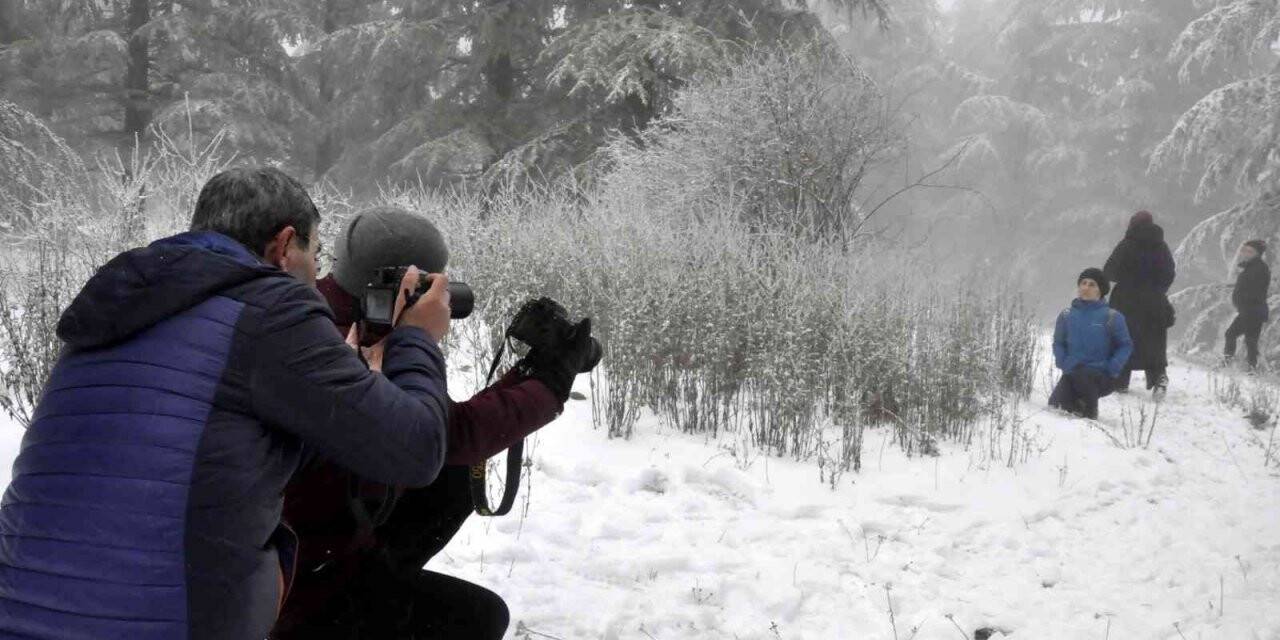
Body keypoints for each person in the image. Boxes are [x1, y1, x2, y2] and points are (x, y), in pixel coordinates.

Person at [0, 168, 453, 640]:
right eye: (315, 257)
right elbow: (417, 450)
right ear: (283, 246)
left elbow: (196, 440)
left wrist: (350, 382)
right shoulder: (271, 305)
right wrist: (416, 338)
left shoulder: (116, 304)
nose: (316, 278)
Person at [270, 206, 600, 640]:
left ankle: (378, 579)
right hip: (298, 586)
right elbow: (452, 434)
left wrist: (528, 375)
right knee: (481, 617)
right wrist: (549, 383)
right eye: (432, 287)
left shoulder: (318, 316)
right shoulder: (344, 345)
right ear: (406, 287)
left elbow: (444, 426)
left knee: (452, 476)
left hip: (306, 551)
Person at [1103, 210, 1176, 398]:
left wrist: (1126, 278)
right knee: (1154, 342)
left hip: (1126, 300)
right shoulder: (1161, 246)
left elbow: (1109, 270)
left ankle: (1120, 382)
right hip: (1154, 301)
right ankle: (1159, 377)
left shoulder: (1126, 244)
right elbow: (1169, 273)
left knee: (1124, 339)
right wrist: (1157, 289)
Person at [1049, 268, 1134, 420]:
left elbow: (1125, 345)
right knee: (1055, 405)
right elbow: (1058, 343)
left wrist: (1113, 366)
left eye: (1092, 284)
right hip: (1072, 371)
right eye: (1083, 283)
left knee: (1085, 382)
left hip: (1101, 374)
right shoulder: (1066, 315)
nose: (1086, 287)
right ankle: (1078, 408)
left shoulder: (1112, 317)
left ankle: (1090, 415)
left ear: (1100, 291)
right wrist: (1062, 361)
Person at [1224, 239, 1272, 371]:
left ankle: (1229, 364)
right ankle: (1251, 368)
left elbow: (1256, 290)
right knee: (1250, 340)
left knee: (1235, 335)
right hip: (1251, 310)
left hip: (1252, 310)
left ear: (1258, 254)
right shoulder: (1252, 267)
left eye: (1250, 251)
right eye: (1244, 250)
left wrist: (1243, 301)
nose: (1245, 253)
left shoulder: (1259, 268)